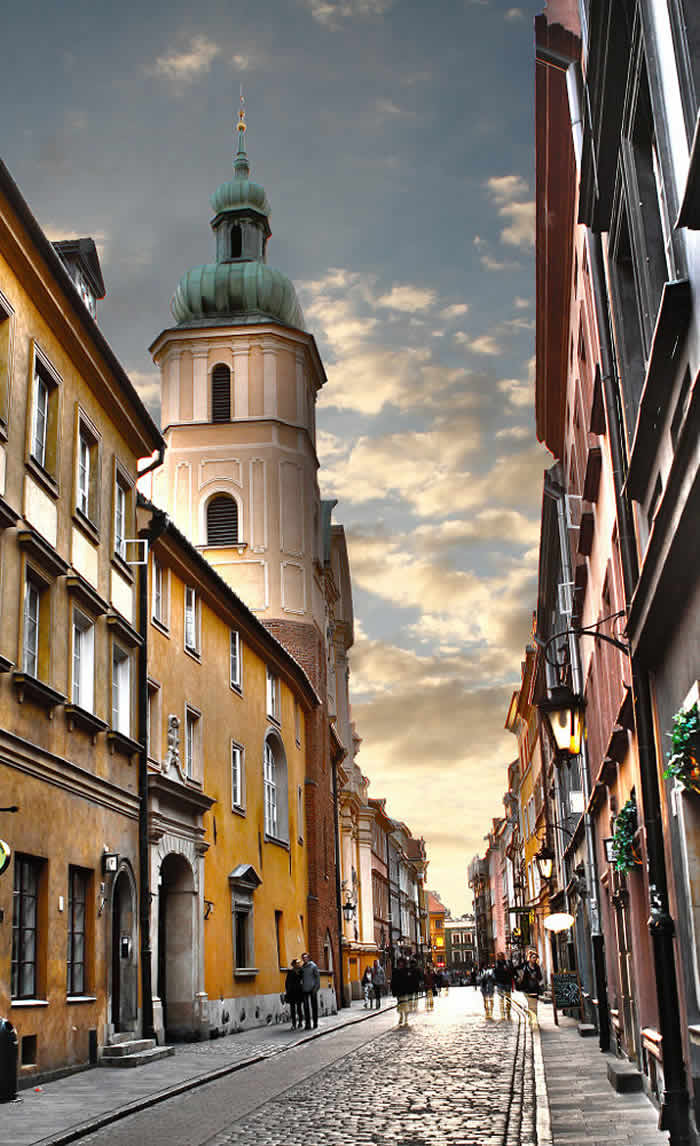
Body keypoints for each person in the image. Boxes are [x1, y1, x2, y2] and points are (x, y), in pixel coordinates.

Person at [518, 949, 543, 1024]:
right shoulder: (525, 967)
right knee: (531, 1004)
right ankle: (532, 1019)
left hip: (535, 988)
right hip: (527, 988)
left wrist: (536, 978)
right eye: (533, 957)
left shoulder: (537, 967)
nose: (534, 959)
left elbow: (540, 977)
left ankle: (534, 1019)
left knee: (534, 1005)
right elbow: (522, 976)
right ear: (530, 958)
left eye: (535, 958)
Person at [301, 950, 320, 1029]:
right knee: (306, 1007)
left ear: (308, 958)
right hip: (305, 989)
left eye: (305, 957)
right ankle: (307, 1024)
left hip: (313, 989)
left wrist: (316, 988)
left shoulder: (313, 966)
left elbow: (317, 978)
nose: (304, 959)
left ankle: (315, 1023)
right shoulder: (302, 967)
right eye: (303, 958)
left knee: (314, 1007)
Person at [493, 950, 516, 1019]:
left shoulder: (508, 963)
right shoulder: (496, 964)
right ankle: (502, 1013)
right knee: (501, 999)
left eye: (501, 956)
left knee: (508, 999)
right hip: (500, 983)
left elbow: (512, 971)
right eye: (499, 956)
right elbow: (495, 973)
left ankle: (508, 1012)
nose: (500, 957)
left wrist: (513, 978)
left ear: (503, 956)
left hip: (507, 982)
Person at [391, 957, 411, 1027]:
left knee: (405, 1005)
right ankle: (401, 1016)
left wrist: (410, 989)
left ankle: (406, 1019)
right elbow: (393, 982)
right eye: (399, 962)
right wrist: (393, 991)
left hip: (405, 991)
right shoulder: (395, 971)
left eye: (402, 962)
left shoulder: (406, 971)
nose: (401, 964)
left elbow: (409, 981)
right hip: (398, 991)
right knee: (399, 1006)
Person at [285, 958, 304, 1030]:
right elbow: (287, 983)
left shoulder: (301, 972)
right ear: (293, 964)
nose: (298, 964)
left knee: (299, 1008)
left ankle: (300, 1022)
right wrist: (287, 991)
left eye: (299, 963)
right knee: (292, 1009)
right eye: (297, 963)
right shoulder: (290, 972)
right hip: (292, 993)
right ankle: (294, 1024)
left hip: (299, 992)